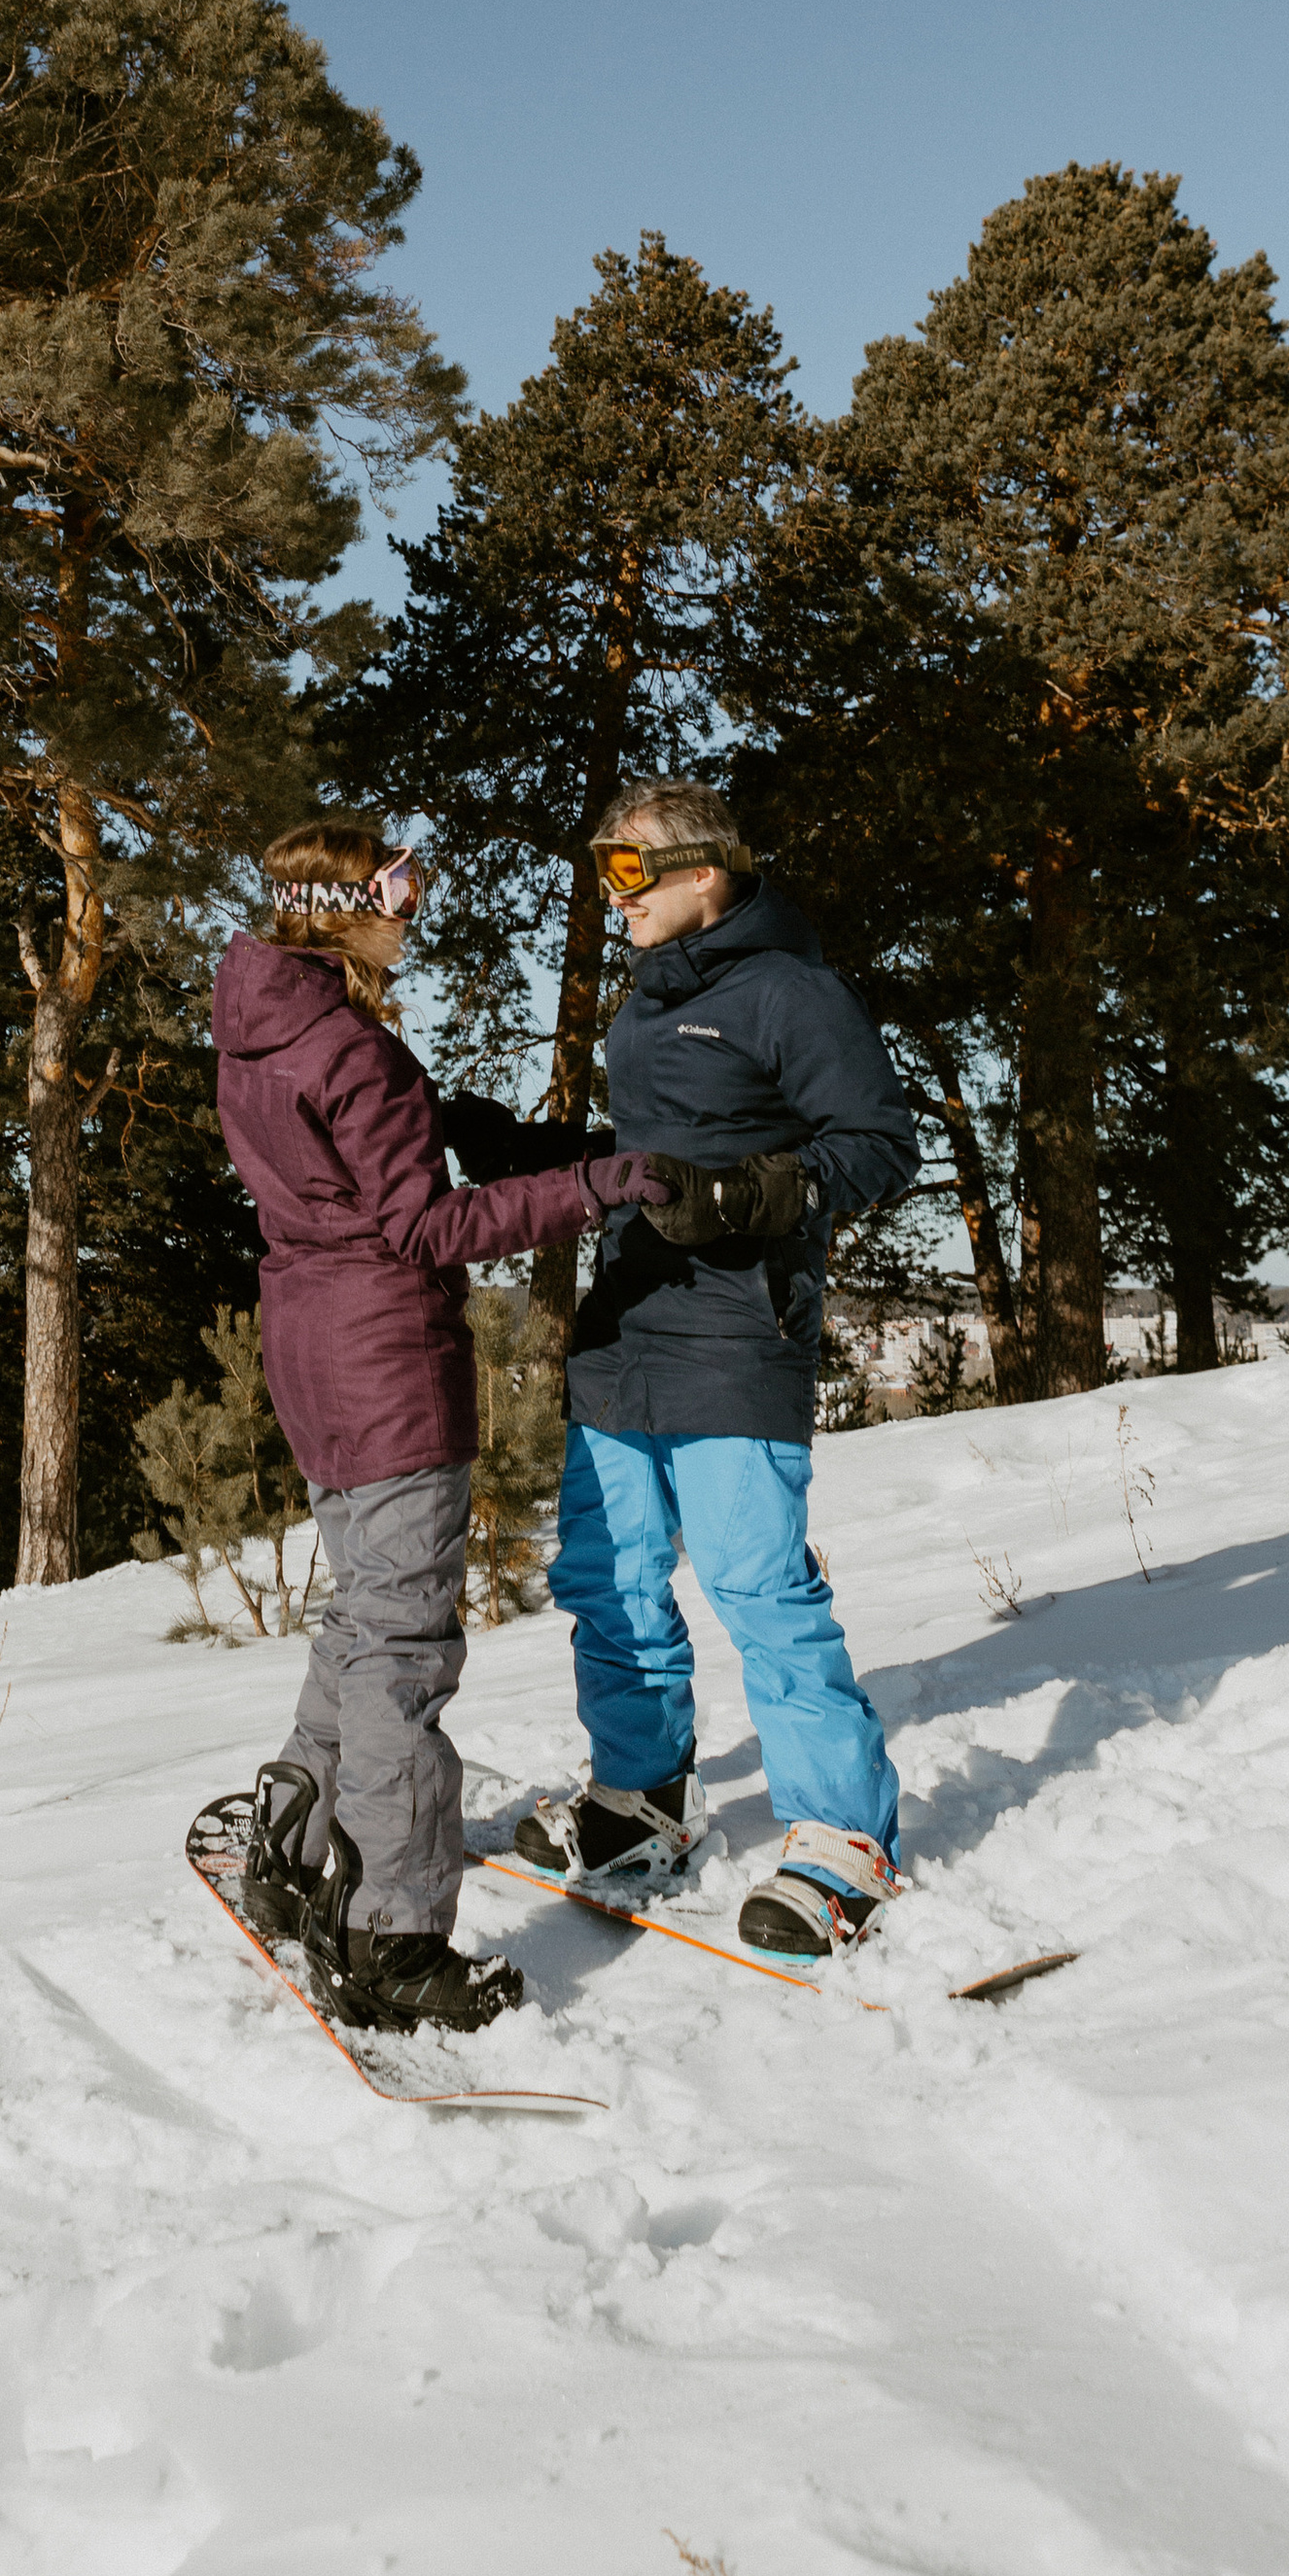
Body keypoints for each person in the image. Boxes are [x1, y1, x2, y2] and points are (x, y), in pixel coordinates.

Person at [210, 816, 668, 2034]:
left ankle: (297, 1844)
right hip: (383, 1359)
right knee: (403, 1651)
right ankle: (392, 1937)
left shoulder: (256, 1026)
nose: (412, 909)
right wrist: (593, 1186)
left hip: (310, 1345)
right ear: (338, 902)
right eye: (397, 889)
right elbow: (425, 1229)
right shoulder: (350, 1048)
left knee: (359, 1615)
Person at [473, 775, 922, 1958]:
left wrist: (751, 1195)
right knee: (607, 1579)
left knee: (755, 1586)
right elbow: (645, 1155)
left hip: (736, 1331)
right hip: (625, 1328)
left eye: (626, 872)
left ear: (702, 871)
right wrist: (517, 1151)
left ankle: (841, 1835)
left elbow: (878, 1146)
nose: (608, 896)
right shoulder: (645, 1002)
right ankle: (642, 1803)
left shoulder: (792, 992)